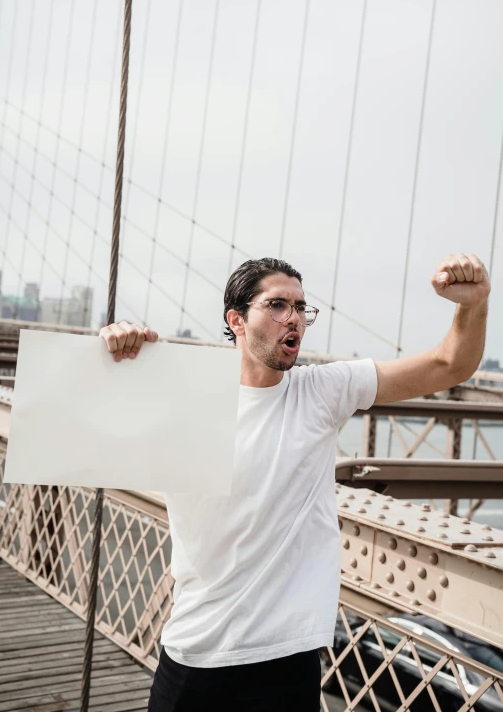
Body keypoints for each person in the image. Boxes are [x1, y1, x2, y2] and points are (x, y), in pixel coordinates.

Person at [99, 254, 490, 712]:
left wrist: (475, 304)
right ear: (237, 320)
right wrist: (112, 355)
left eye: (301, 308)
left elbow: (450, 365)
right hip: (194, 652)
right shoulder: (185, 393)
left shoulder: (321, 391)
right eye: (278, 305)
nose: (295, 319)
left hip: (287, 658)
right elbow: (86, 423)